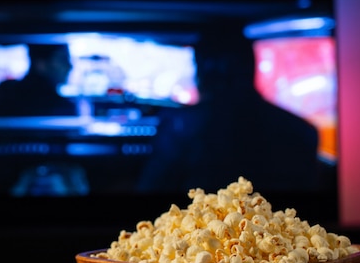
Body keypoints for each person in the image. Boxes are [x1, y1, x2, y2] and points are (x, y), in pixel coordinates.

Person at [136, 34, 321, 193]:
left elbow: (151, 193)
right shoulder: (302, 131)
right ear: (250, 67)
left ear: (204, 72)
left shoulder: (179, 128)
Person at [0, 43, 76, 116]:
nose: (70, 66)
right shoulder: (63, 107)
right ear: (41, 63)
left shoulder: (7, 91)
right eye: (63, 59)